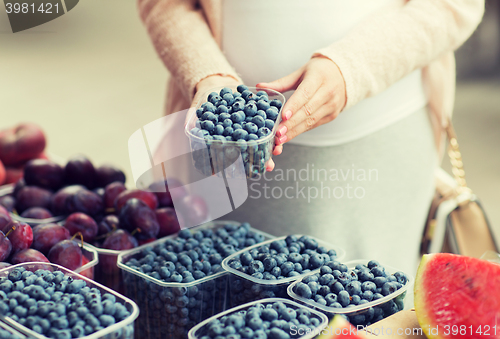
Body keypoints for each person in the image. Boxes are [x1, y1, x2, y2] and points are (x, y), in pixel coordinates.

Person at [137, 0, 484, 275]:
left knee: (369, 307)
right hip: (224, 153)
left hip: (379, 145)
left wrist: (351, 68)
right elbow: (164, 3)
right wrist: (208, 77)